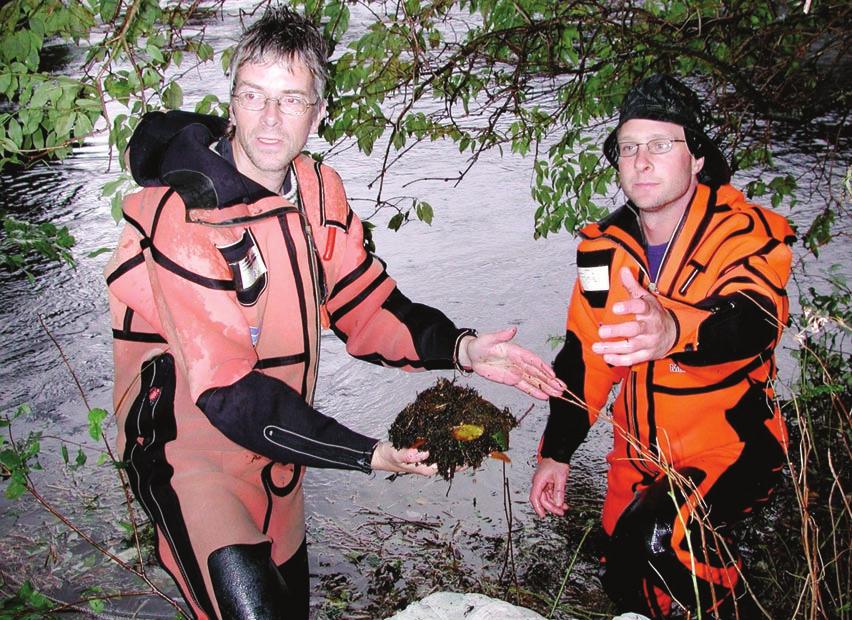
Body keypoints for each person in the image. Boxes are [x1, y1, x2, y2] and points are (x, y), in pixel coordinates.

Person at [104, 7, 564, 619]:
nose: (270, 120)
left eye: (291, 100)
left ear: (317, 112)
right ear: (232, 102)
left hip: (278, 452)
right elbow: (226, 391)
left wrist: (464, 349)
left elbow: (363, 302)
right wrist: (367, 452)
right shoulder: (181, 216)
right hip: (189, 449)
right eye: (254, 97)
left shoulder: (319, 190)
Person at [529, 74, 794, 618]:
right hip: (641, 453)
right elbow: (586, 358)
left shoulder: (745, 233)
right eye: (628, 147)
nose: (641, 161)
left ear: (697, 157)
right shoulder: (604, 253)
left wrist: (673, 329)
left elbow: (754, 319)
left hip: (732, 444)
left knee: (659, 540)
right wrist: (555, 453)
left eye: (660, 144)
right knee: (622, 571)